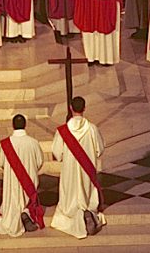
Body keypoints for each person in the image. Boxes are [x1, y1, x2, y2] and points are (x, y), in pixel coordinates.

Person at [51, 96, 106, 238]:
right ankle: (87, 211)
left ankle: (74, 213)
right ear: (84, 108)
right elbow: (100, 150)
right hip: (87, 170)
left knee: (69, 197)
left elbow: (57, 153)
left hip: (69, 171)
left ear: (70, 108)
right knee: (87, 194)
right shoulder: (92, 129)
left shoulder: (63, 131)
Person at [0, 114, 44, 237]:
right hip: (29, 182)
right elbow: (39, 162)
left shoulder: (5, 144)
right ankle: (26, 212)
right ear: (25, 125)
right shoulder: (33, 142)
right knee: (28, 197)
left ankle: (17, 215)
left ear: (13, 126)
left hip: (12, 181)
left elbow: (1, 163)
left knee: (13, 200)